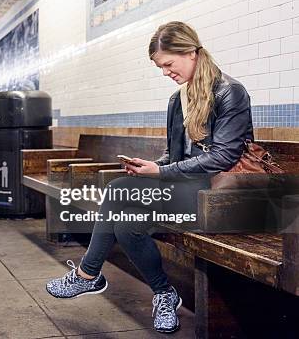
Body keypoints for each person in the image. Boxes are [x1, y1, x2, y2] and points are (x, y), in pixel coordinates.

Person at [45, 21, 254, 334]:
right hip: (187, 189)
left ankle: (88, 275)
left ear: (192, 52)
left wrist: (161, 172)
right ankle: (165, 294)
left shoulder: (229, 92)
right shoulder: (177, 100)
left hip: (221, 198)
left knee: (116, 191)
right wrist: (150, 166)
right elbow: (174, 155)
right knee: (127, 221)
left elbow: (223, 157)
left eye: (169, 64)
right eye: (161, 67)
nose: (166, 72)